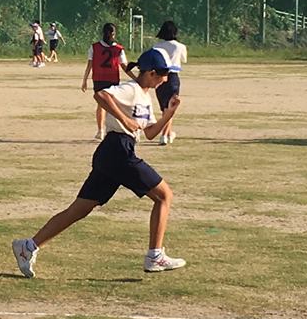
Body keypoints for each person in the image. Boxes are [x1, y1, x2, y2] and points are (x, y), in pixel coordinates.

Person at [11, 49, 185, 278]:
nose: (166, 79)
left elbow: (150, 133)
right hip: (118, 150)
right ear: (151, 73)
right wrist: (124, 119)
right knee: (164, 196)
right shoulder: (131, 89)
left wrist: (169, 114)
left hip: (113, 153)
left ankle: (28, 246)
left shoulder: (144, 96)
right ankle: (155, 255)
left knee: (79, 209)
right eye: (163, 74)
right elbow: (101, 95)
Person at [81, 23, 131, 142]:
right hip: (112, 78)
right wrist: (136, 77)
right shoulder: (119, 49)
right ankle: (111, 129)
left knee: (101, 105)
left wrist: (85, 80)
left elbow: (89, 65)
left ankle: (101, 130)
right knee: (113, 105)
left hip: (99, 78)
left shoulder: (94, 47)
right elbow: (124, 66)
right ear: (113, 34)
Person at [152, 20, 187, 146]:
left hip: (159, 77)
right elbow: (184, 59)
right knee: (170, 108)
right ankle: (164, 135)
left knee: (165, 108)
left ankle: (168, 133)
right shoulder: (179, 46)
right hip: (173, 77)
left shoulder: (157, 47)